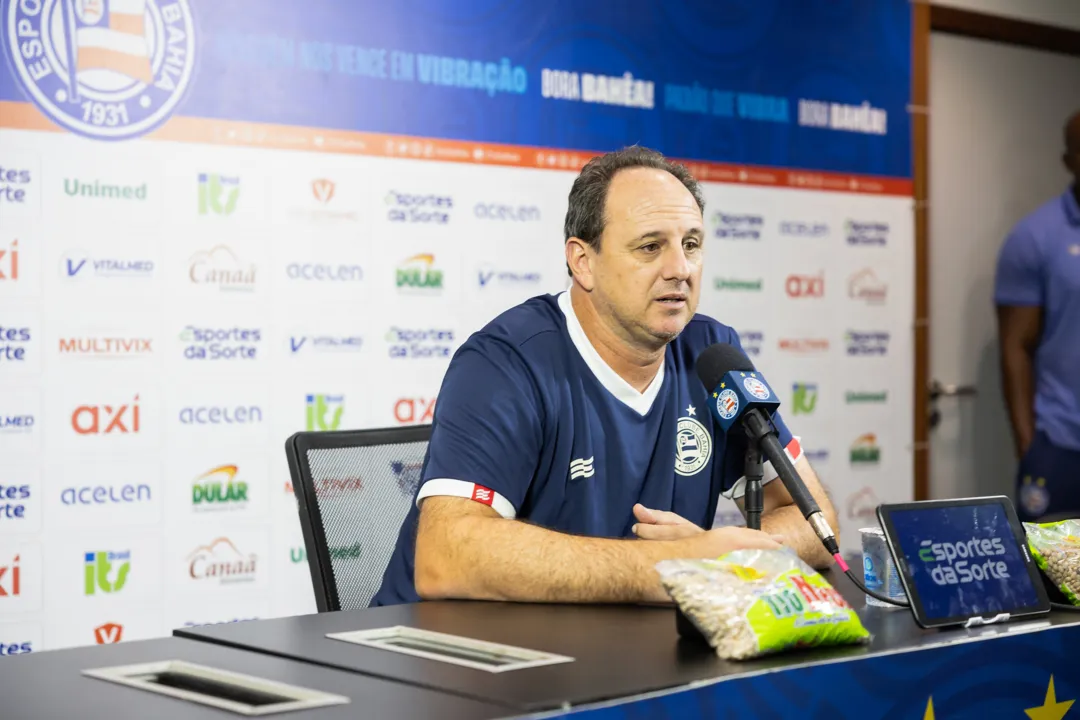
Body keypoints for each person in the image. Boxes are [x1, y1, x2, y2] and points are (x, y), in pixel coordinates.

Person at [371, 146, 838, 607]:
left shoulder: (712, 353)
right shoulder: (505, 362)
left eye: (691, 244)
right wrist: (672, 564)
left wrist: (720, 556)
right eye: (650, 246)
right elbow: (446, 556)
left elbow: (816, 521)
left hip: (610, 653)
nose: (679, 269)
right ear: (583, 262)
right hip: (446, 659)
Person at [995, 110, 1080, 522]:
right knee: (1050, 582)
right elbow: (1015, 348)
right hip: (1061, 444)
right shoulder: (1035, 238)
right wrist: (1030, 446)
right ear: (1069, 159)